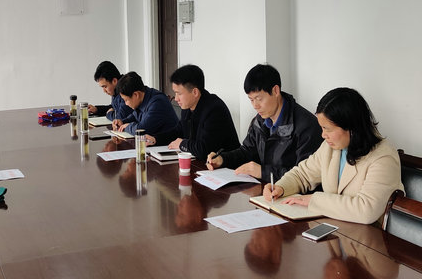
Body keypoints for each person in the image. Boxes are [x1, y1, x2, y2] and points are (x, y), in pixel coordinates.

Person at [263, 87, 404, 225]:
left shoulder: (384, 157)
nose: (323, 135)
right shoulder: (331, 147)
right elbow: (303, 174)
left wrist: (314, 200)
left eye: (327, 129)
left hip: (370, 236)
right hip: (337, 228)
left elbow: (366, 210)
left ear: (351, 127)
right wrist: (280, 187)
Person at [207, 64, 321, 182]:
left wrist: (263, 172)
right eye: (251, 100)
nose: (255, 106)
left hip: (289, 192)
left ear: (275, 91)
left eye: (259, 99)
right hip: (265, 189)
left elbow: (305, 176)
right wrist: (223, 159)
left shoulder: (307, 126)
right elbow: (247, 152)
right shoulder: (259, 120)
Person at [146, 64, 240, 161]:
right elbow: (178, 131)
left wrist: (182, 144)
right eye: (175, 93)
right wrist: (155, 139)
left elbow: (205, 149)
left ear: (195, 92)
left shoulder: (215, 109)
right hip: (200, 164)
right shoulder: (187, 107)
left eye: (179, 93)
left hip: (226, 167)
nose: (176, 98)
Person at [112, 71, 179, 135]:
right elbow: (135, 116)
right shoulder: (143, 96)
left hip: (169, 142)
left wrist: (127, 127)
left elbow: (142, 130)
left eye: (126, 100)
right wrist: (122, 122)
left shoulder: (157, 102)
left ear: (136, 95)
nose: (126, 104)